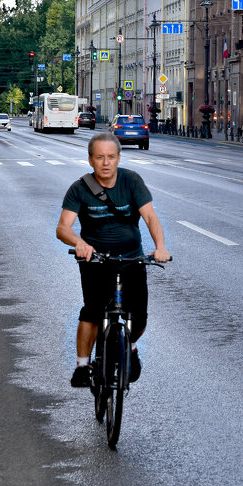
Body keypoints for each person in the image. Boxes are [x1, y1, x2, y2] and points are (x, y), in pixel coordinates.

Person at [56, 132, 170, 388]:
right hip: (95, 261)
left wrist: (160, 247)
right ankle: (83, 366)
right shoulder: (80, 188)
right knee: (92, 312)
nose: (105, 163)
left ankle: (130, 346)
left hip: (132, 259)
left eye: (110, 157)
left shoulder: (131, 181)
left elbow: (150, 217)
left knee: (139, 318)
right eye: (99, 157)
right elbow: (63, 227)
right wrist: (80, 243)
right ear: (90, 160)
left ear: (118, 158)